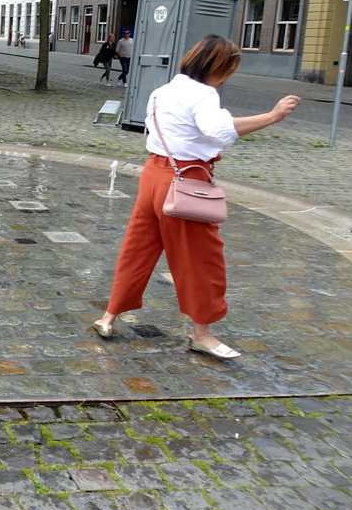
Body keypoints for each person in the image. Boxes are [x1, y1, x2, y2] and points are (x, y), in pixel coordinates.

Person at [92, 35, 300, 358]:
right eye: (229, 70)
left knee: (138, 248)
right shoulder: (204, 94)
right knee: (203, 257)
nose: (228, 77)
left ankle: (108, 317)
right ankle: (202, 334)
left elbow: (150, 129)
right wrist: (272, 116)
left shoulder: (163, 91)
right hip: (184, 181)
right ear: (219, 67)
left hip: (152, 177)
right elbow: (219, 131)